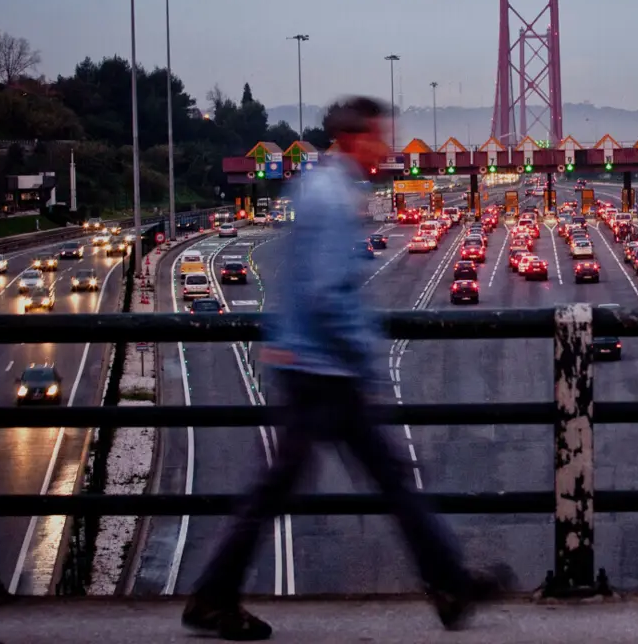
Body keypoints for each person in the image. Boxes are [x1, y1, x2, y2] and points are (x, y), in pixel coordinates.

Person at [182, 96, 513, 641]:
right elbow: (326, 292)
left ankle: (449, 585)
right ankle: (449, 585)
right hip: (324, 370)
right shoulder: (334, 198)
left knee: (346, 481)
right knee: (370, 481)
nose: (387, 149)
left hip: (309, 362)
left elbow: (303, 282)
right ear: (355, 139)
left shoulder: (317, 188)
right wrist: (362, 358)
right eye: (381, 137)